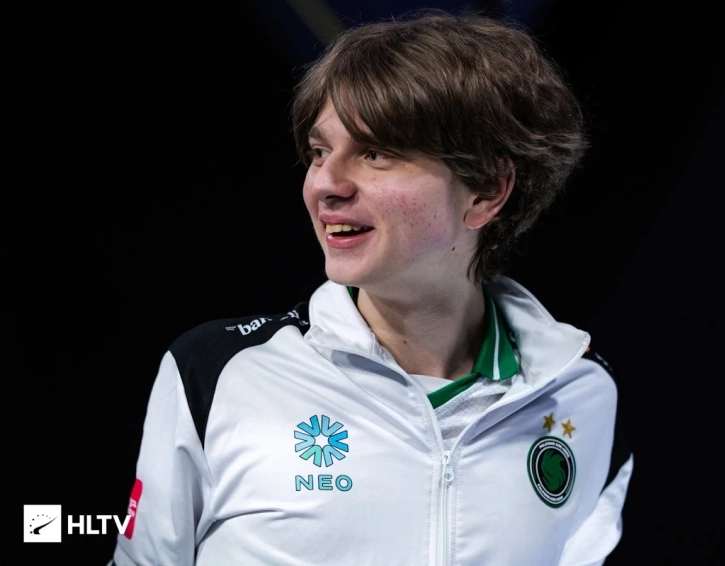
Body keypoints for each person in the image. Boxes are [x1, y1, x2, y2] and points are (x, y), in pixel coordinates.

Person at [111, 10, 633, 566]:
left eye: (375, 153)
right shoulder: (216, 373)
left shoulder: (582, 393)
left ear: (485, 190)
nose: (325, 185)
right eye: (319, 152)